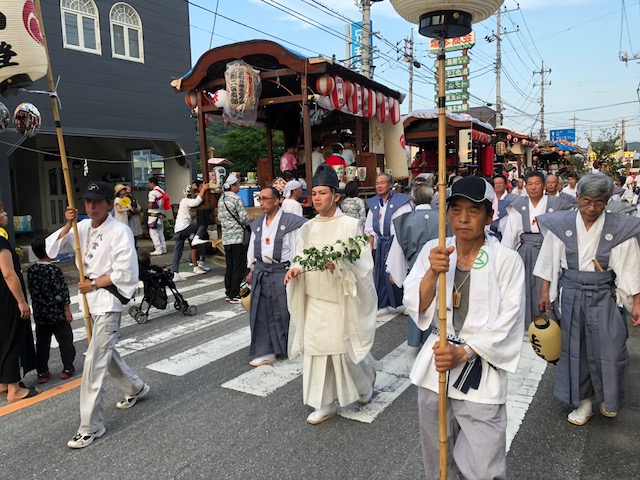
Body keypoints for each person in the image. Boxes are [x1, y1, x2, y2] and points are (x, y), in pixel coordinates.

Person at [403, 176, 525, 479]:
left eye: (473, 210)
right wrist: (433, 271)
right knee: (438, 458)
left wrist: (465, 352)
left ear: (489, 215)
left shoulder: (505, 260)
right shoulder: (436, 250)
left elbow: (509, 320)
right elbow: (414, 302)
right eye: (455, 210)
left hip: (479, 369)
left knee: (485, 464)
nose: (463, 219)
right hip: (437, 368)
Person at [46, 181, 149, 449]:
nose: (91, 207)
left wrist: (93, 284)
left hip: (107, 299)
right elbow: (52, 250)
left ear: (108, 203)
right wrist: (68, 224)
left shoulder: (119, 230)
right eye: (87, 202)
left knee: (93, 359)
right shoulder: (81, 227)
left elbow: (126, 272)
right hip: (89, 300)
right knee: (104, 351)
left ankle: (90, 425)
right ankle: (135, 387)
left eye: (97, 202)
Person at [535, 172, 640, 426]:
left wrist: (636, 302)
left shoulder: (619, 227)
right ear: (578, 197)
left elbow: (630, 268)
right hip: (571, 295)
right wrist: (545, 293)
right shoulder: (561, 225)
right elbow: (549, 262)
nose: (592, 208)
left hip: (604, 296)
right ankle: (583, 404)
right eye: (586, 201)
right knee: (576, 352)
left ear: (607, 201)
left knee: (611, 348)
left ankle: (607, 397)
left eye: (599, 202)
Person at [285, 164, 378, 424]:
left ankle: (364, 384)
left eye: (322, 193)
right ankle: (324, 404)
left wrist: (339, 266)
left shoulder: (350, 225)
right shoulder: (308, 227)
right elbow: (301, 257)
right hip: (314, 299)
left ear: (335, 196)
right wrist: (294, 269)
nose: (316, 198)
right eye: (313, 193)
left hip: (340, 300)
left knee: (342, 352)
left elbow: (364, 264)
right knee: (316, 352)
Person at [500, 171, 574, 328]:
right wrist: (506, 260)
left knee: (547, 288)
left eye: (537, 183)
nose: (533, 188)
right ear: (525, 186)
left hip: (549, 250)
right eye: (530, 184)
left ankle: (550, 326)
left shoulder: (557, 204)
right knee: (524, 288)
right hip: (525, 250)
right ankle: (526, 325)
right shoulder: (518, 206)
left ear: (544, 185)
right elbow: (510, 235)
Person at [246, 187, 306, 367]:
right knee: (260, 312)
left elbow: (298, 249)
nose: (262, 202)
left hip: (282, 271)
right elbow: (252, 248)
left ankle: (286, 346)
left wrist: (297, 268)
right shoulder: (258, 224)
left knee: (282, 311)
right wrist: (251, 269)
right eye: (260, 199)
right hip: (261, 271)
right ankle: (265, 350)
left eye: (265, 199)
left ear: (277, 200)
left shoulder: (291, 222)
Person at [387, 184, 439, 348]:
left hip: (416, 263)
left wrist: (396, 272)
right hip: (440, 263)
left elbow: (398, 248)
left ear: (413, 199)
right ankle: (438, 337)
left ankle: (417, 339)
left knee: (417, 298)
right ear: (431, 198)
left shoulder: (405, 220)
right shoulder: (443, 217)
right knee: (438, 299)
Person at [0, 200, 39, 403]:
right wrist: (22, 301)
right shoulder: (1, 242)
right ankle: (15, 389)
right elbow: (8, 274)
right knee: (11, 339)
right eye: (2, 211)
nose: (6, 214)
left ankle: (4, 383)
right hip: (7, 299)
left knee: (2, 340)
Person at [27, 235, 76, 384]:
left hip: (41, 314)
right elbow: (62, 292)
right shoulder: (54, 270)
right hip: (58, 313)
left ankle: (42, 372)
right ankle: (67, 368)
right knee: (65, 340)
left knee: (42, 343)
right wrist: (67, 310)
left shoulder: (31, 270)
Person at [365, 172, 412, 315]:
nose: (379, 186)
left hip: (396, 241)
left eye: (382, 183)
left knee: (397, 270)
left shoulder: (401, 202)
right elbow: (370, 229)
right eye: (377, 183)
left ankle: (405, 302)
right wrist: (370, 251)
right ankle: (383, 303)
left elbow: (404, 224)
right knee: (380, 274)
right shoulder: (374, 204)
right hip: (381, 243)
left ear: (390, 185)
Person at [218, 173, 251, 304]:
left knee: (230, 266)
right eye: (238, 185)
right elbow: (244, 218)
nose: (239, 187)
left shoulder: (222, 199)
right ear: (232, 186)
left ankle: (228, 292)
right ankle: (234, 294)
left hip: (226, 238)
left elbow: (220, 218)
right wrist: (251, 219)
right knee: (239, 266)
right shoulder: (236, 199)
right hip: (238, 237)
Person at [171, 182, 211, 282]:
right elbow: (195, 203)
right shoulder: (185, 201)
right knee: (204, 220)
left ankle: (174, 273)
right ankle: (197, 237)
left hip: (179, 230)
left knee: (177, 253)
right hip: (185, 228)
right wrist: (203, 189)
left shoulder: (184, 201)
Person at [147, 176, 167, 256]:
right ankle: (163, 247)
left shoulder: (152, 193)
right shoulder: (162, 191)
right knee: (160, 232)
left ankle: (158, 248)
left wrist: (148, 206)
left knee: (153, 232)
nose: (149, 185)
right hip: (160, 213)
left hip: (153, 214)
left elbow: (151, 204)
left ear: (152, 183)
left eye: (149, 183)